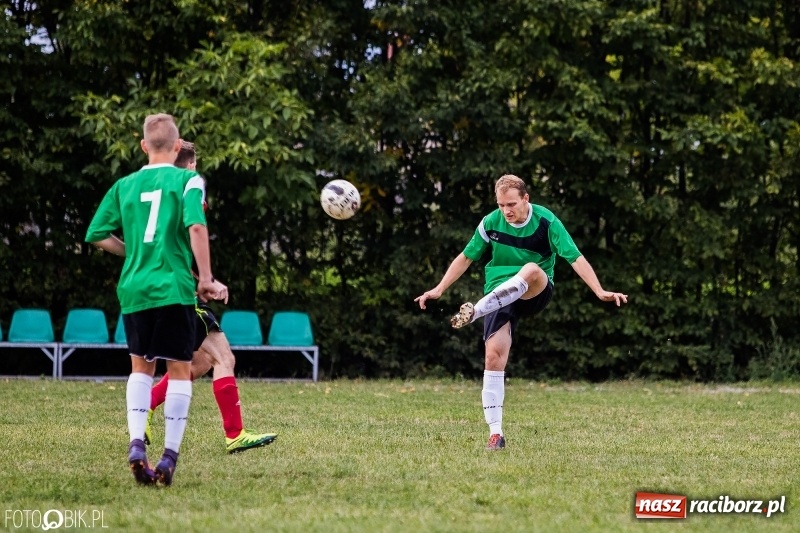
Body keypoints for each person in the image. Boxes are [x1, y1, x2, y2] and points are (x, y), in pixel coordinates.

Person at [415, 174, 628, 451]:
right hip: (498, 294)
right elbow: (466, 256)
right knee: (493, 358)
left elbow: (575, 257)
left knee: (530, 269)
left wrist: (599, 291)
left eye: (512, 204)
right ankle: (496, 434)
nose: (506, 211)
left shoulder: (546, 221)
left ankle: (475, 311)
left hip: (534, 290)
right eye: (501, 205)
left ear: (526, 199)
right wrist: (439, 288)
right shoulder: (490, 222)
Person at [85, 114, 218, 486]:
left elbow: (96, 233)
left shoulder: (124, 185)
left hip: (135, 288)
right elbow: (195, 225)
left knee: (140, 369)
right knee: (179, 368)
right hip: (173, 287)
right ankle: (169, 457)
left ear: (144, 146)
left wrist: (130, 253)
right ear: (178, 147)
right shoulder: (189, 179)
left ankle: (135, 444)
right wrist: (205, 278)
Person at [145, 140, 277, 454]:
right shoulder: (191, 187)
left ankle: (145, 406)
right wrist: (206, 279)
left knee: (198, 363)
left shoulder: (158, 193)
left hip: (166, 286)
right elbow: (193, 234)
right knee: (223, 358)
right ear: (190, 165)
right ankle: (235, 434)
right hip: (179, 291)